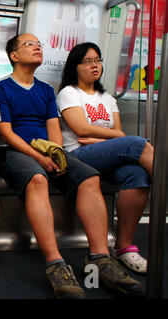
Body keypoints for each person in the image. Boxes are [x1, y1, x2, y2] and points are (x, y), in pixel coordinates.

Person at [0, 33, 144, 298]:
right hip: (16, 152)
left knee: (89, 177)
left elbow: (53, 129)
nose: (37, 47)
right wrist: (39, 157)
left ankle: (99, 257)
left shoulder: (46, 90)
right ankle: (55, 264)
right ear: (13, 56)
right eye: (29, 44)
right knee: (38, 179)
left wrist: (56, 153)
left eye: (39, 44)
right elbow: (6, 133)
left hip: (48, 151)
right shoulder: (1, 87)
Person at [57, 42, 153, 274]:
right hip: (77, 155)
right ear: (75, 66)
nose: (94, 66)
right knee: (137, 143)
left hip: (103, 153)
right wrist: (115, 137)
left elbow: (115, 134)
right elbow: (82, 129)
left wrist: (107, 139)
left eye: (97, 60)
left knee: (137, 173)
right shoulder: (69, 93)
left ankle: (124, 247)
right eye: (87, 61)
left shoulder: (108, 98)